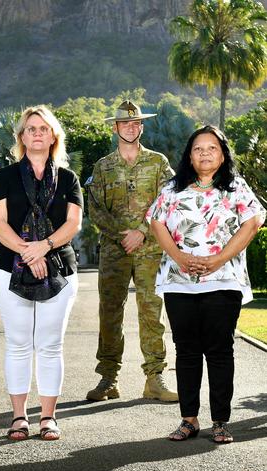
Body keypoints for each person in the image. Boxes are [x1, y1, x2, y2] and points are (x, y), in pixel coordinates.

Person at [148, 125, 265, 443]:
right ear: (189, 154)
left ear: (223, 153)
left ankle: (220, 422)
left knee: (219, 351)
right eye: (198, 148)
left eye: (212, 148)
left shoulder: (235, 186)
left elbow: (253, 222)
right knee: (185, 351)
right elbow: (156, 221)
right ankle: (188, 420)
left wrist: (217, 260)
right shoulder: (172, 187)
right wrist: (178, 256)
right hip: (178, 281)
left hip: (223, 280)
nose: (204, 153)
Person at [0, 105, 82, 440]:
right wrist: (29, 251)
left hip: (60, 270)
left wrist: (44, 246)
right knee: (17, 343)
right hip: (10, 268)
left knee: (50, 344)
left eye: (44, 128)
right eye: (31, 128)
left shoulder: (68, 178)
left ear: (53, 135)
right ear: (22, 137)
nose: (38, 133)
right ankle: (18, 417)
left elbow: (73, 223)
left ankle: (48, 417)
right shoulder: (5, 176)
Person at [85, 100, 178, 403]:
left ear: (141, 126)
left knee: (151, 311)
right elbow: (95, 209)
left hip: (151, 249)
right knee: (110, 313)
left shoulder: (158, 163)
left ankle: (155, 378)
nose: (131, 127)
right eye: (125, 123)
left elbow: (167, 200)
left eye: (136, 123)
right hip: (114, 250)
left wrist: (141, 231)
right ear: (115, 127)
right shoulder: (103, 166)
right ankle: (108, 379)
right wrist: (121, 234)